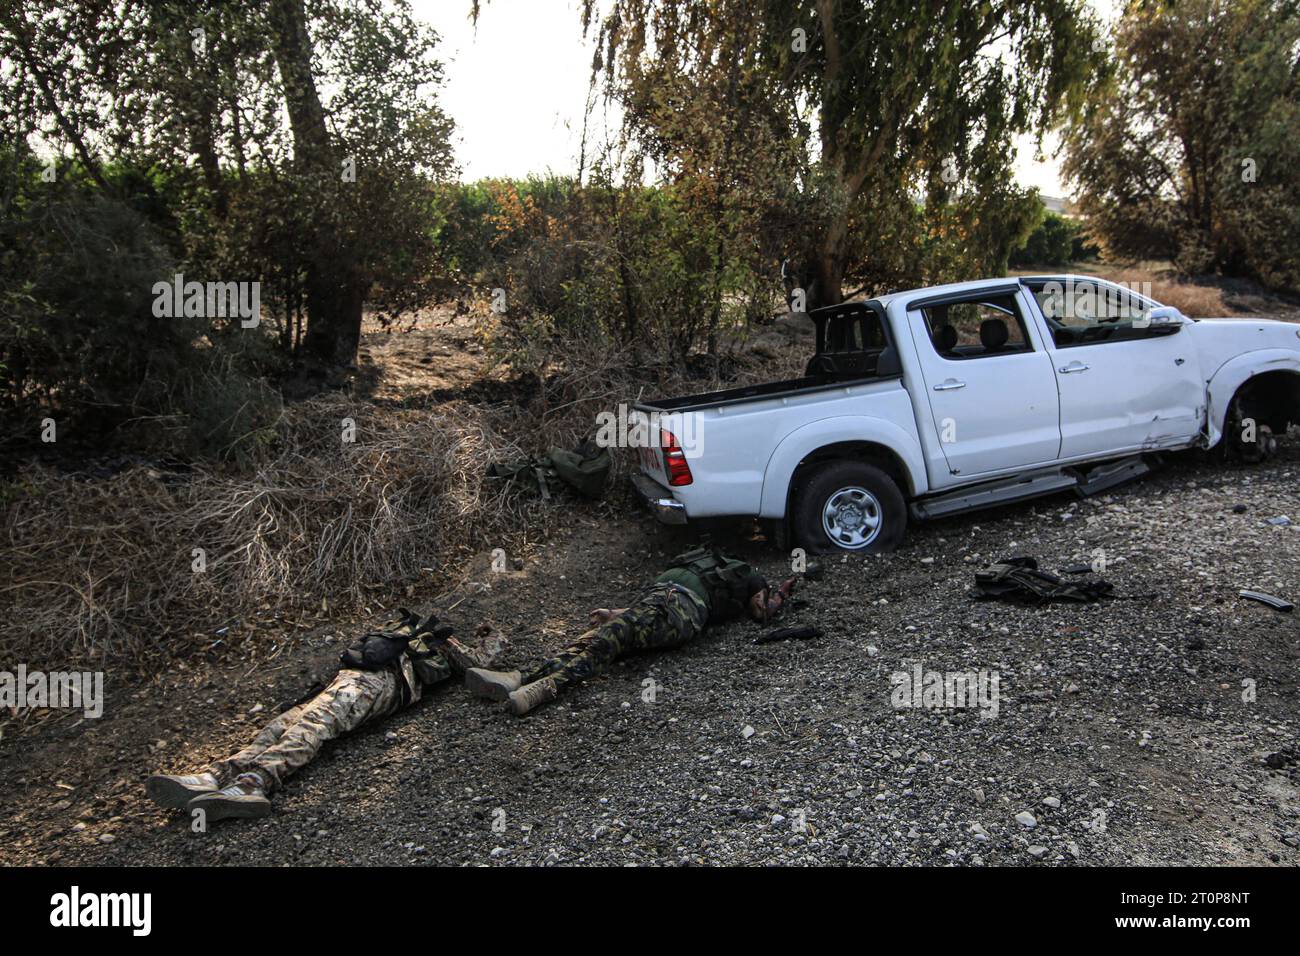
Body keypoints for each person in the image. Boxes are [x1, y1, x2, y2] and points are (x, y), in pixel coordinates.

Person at [145, 610, 504, 822]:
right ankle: (218, 776)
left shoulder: (441, 645)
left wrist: (492, 636)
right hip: (349, 679)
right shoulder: (399, 635)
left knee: (315, 725)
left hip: (380, 684)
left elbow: (477, 665)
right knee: (280, 725)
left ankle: (255, 784)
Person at [465, 547, 795, 715]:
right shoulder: (708, 561)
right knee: (603, 633)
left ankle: (545, 687)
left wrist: (782, 590)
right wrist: (615, 612)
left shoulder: (749, 578)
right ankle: (521, 678)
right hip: (657, 599)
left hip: (682, 610)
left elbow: (763, 610)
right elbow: (640, 614)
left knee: (612, 637)